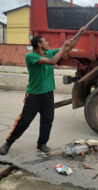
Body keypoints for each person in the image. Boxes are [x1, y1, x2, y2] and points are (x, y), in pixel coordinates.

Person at [0, 27, 86, 155]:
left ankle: (42, 144)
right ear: (39, 44)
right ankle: (8, 142)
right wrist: (63, 46)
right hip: (34, 95)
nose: (48, 43)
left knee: (47, 120)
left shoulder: (49, 52)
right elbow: (52, 62)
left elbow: (69, 46)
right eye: (45, 41)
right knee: (24, 121)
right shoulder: (31, 56)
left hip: (48, 94)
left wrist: (80, 33)